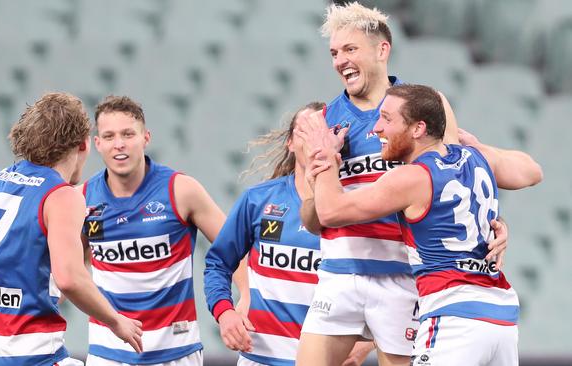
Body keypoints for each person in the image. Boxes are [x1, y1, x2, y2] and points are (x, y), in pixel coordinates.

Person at [297, 3, 506, 365]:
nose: (340, 61)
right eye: (334, 53)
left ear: (382, 50)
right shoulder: (321, 123)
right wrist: (322, 169)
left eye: (350, 49)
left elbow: (458, 182)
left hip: (403, 278)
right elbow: (312, 219)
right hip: (340, 274)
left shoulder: (426, 107)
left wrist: (498, 226)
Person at [297, 83, 543, 366]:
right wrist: (478, 146)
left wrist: (324, 156)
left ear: (417, 129)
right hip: (501, 316)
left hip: (453, 316)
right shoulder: (476, 158)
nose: (377, 128)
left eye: (387, 119)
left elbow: (330, 213)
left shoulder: (413, 177)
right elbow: (532, 170)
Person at [0, 93, 143, 366]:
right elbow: (69, 279)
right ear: (84, 145)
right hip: (36, 358)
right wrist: (116, 321)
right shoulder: (62, 196)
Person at [204, 102, 374, 366]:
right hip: (260, 358)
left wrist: (366, 344)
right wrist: (225, 313)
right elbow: (217, 263)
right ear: (291, 142)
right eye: (306, 130)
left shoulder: (355, 207)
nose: (314, 139)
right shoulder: (258, 200)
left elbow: (387, 282)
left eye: (324, 131)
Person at [81, 95, 227, 366]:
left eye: (128, 134)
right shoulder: (83, 198)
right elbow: (70, 265)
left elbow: (234, 246)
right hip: (108, 352)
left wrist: (240, 301)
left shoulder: (180, 190)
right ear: (97, 144)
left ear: (146, 137)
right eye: (109, 136)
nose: (119, 144)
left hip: (175, 350)